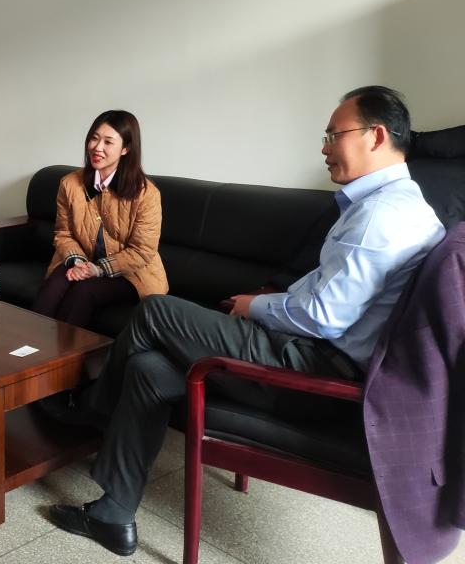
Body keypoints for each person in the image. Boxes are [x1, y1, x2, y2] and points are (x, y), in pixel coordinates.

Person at [48, 86, 445, 557]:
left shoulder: (379, 216)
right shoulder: (403, 204)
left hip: (314, 368)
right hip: (315, 353)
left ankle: (94, 406)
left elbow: (323, 317)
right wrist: (266, 299)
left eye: (333, 135)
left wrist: (256, 308)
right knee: (148, 368)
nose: (323, 148)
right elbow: (325, 293)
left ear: (375, 136)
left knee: (154, 311)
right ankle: (113, 513)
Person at [30, 110, 168, 328]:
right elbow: (64, 233)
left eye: (108, 142)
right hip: (82, 260)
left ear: (126, 148)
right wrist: (77, 261)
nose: (97, 147)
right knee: (53, 286)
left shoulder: (146, 194)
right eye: (94, 138)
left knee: (85, 290)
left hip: (131, 273)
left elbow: (142, 251)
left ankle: (62, 351)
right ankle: (27, 345)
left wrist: (98, 269)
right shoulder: (69, 184)